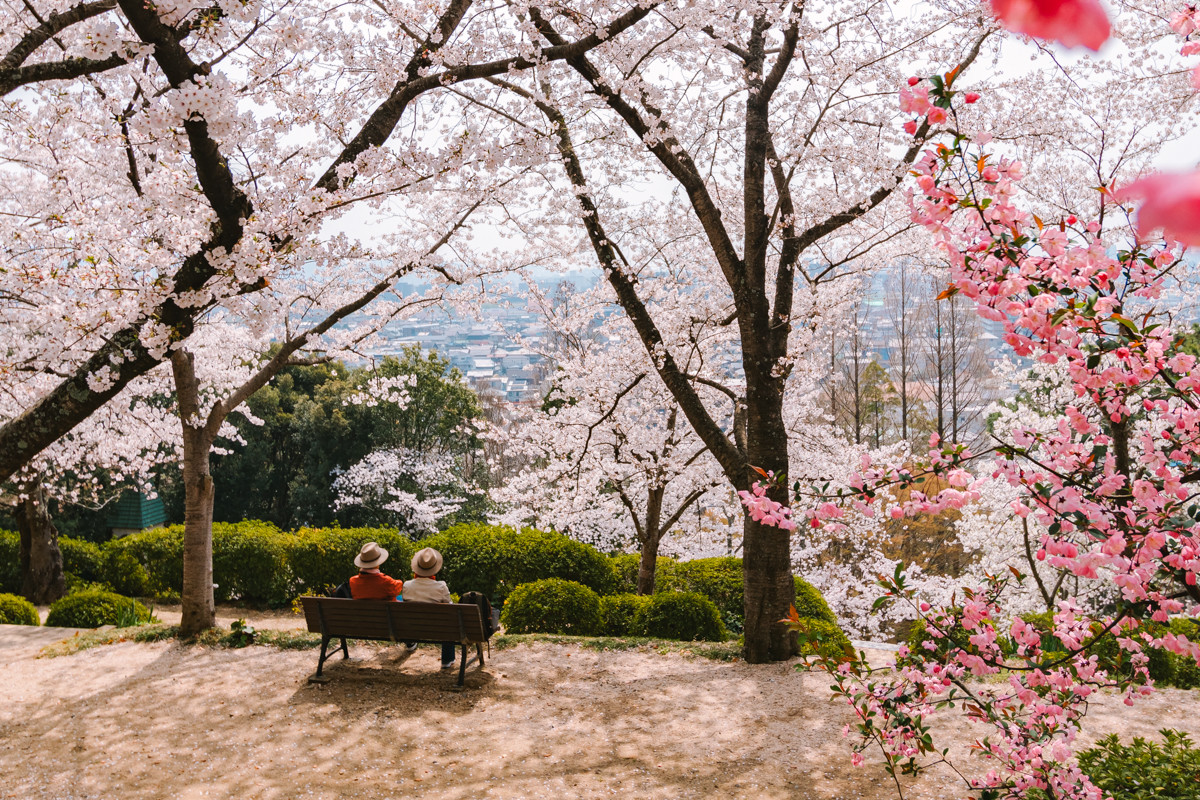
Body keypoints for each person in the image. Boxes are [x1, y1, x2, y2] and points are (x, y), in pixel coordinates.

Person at [403, 547, 457, 669]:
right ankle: (447, 660)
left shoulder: (407, 586)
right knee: (450, 618)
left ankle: (410, 642)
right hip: (437, 629)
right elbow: (450, 607)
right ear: (434, 569)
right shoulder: (441, 587)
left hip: (412, 628)